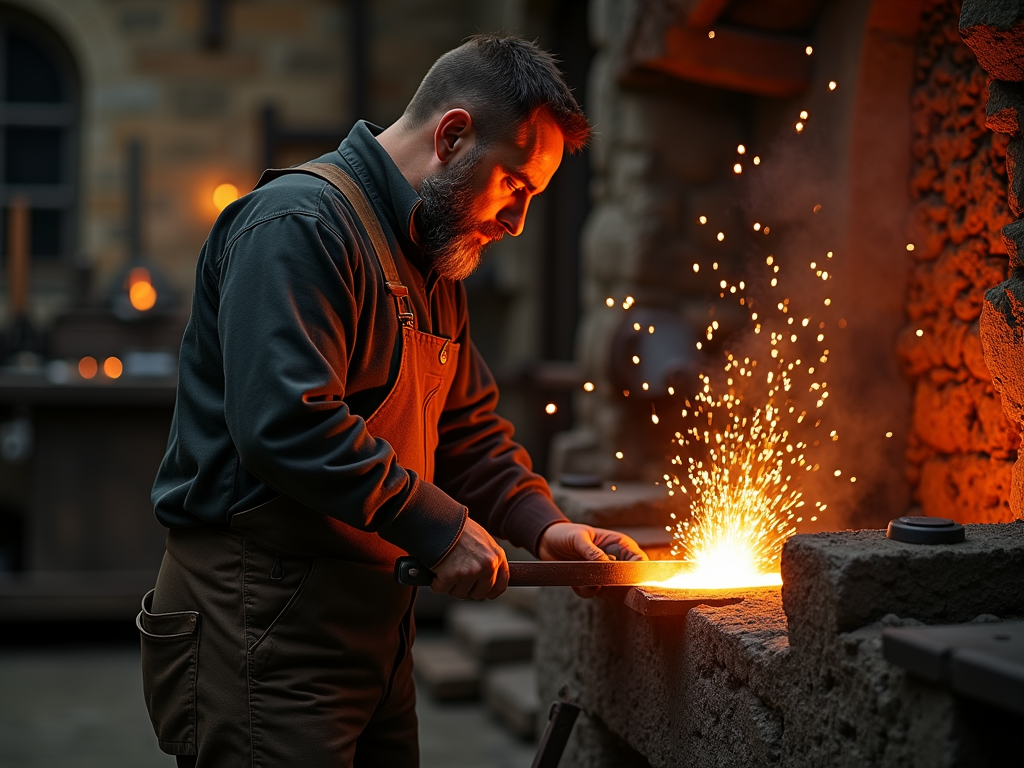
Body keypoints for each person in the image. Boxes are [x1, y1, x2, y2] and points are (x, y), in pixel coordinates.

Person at [138, 34, 646, 768]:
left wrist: (547, 529)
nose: (518, 221)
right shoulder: (298, 226)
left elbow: (467, 430)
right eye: (515, 185)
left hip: (374, 635)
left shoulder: (434, 261)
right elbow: (286, 423)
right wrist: (439, 525)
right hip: (260, 624)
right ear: (452, 136)